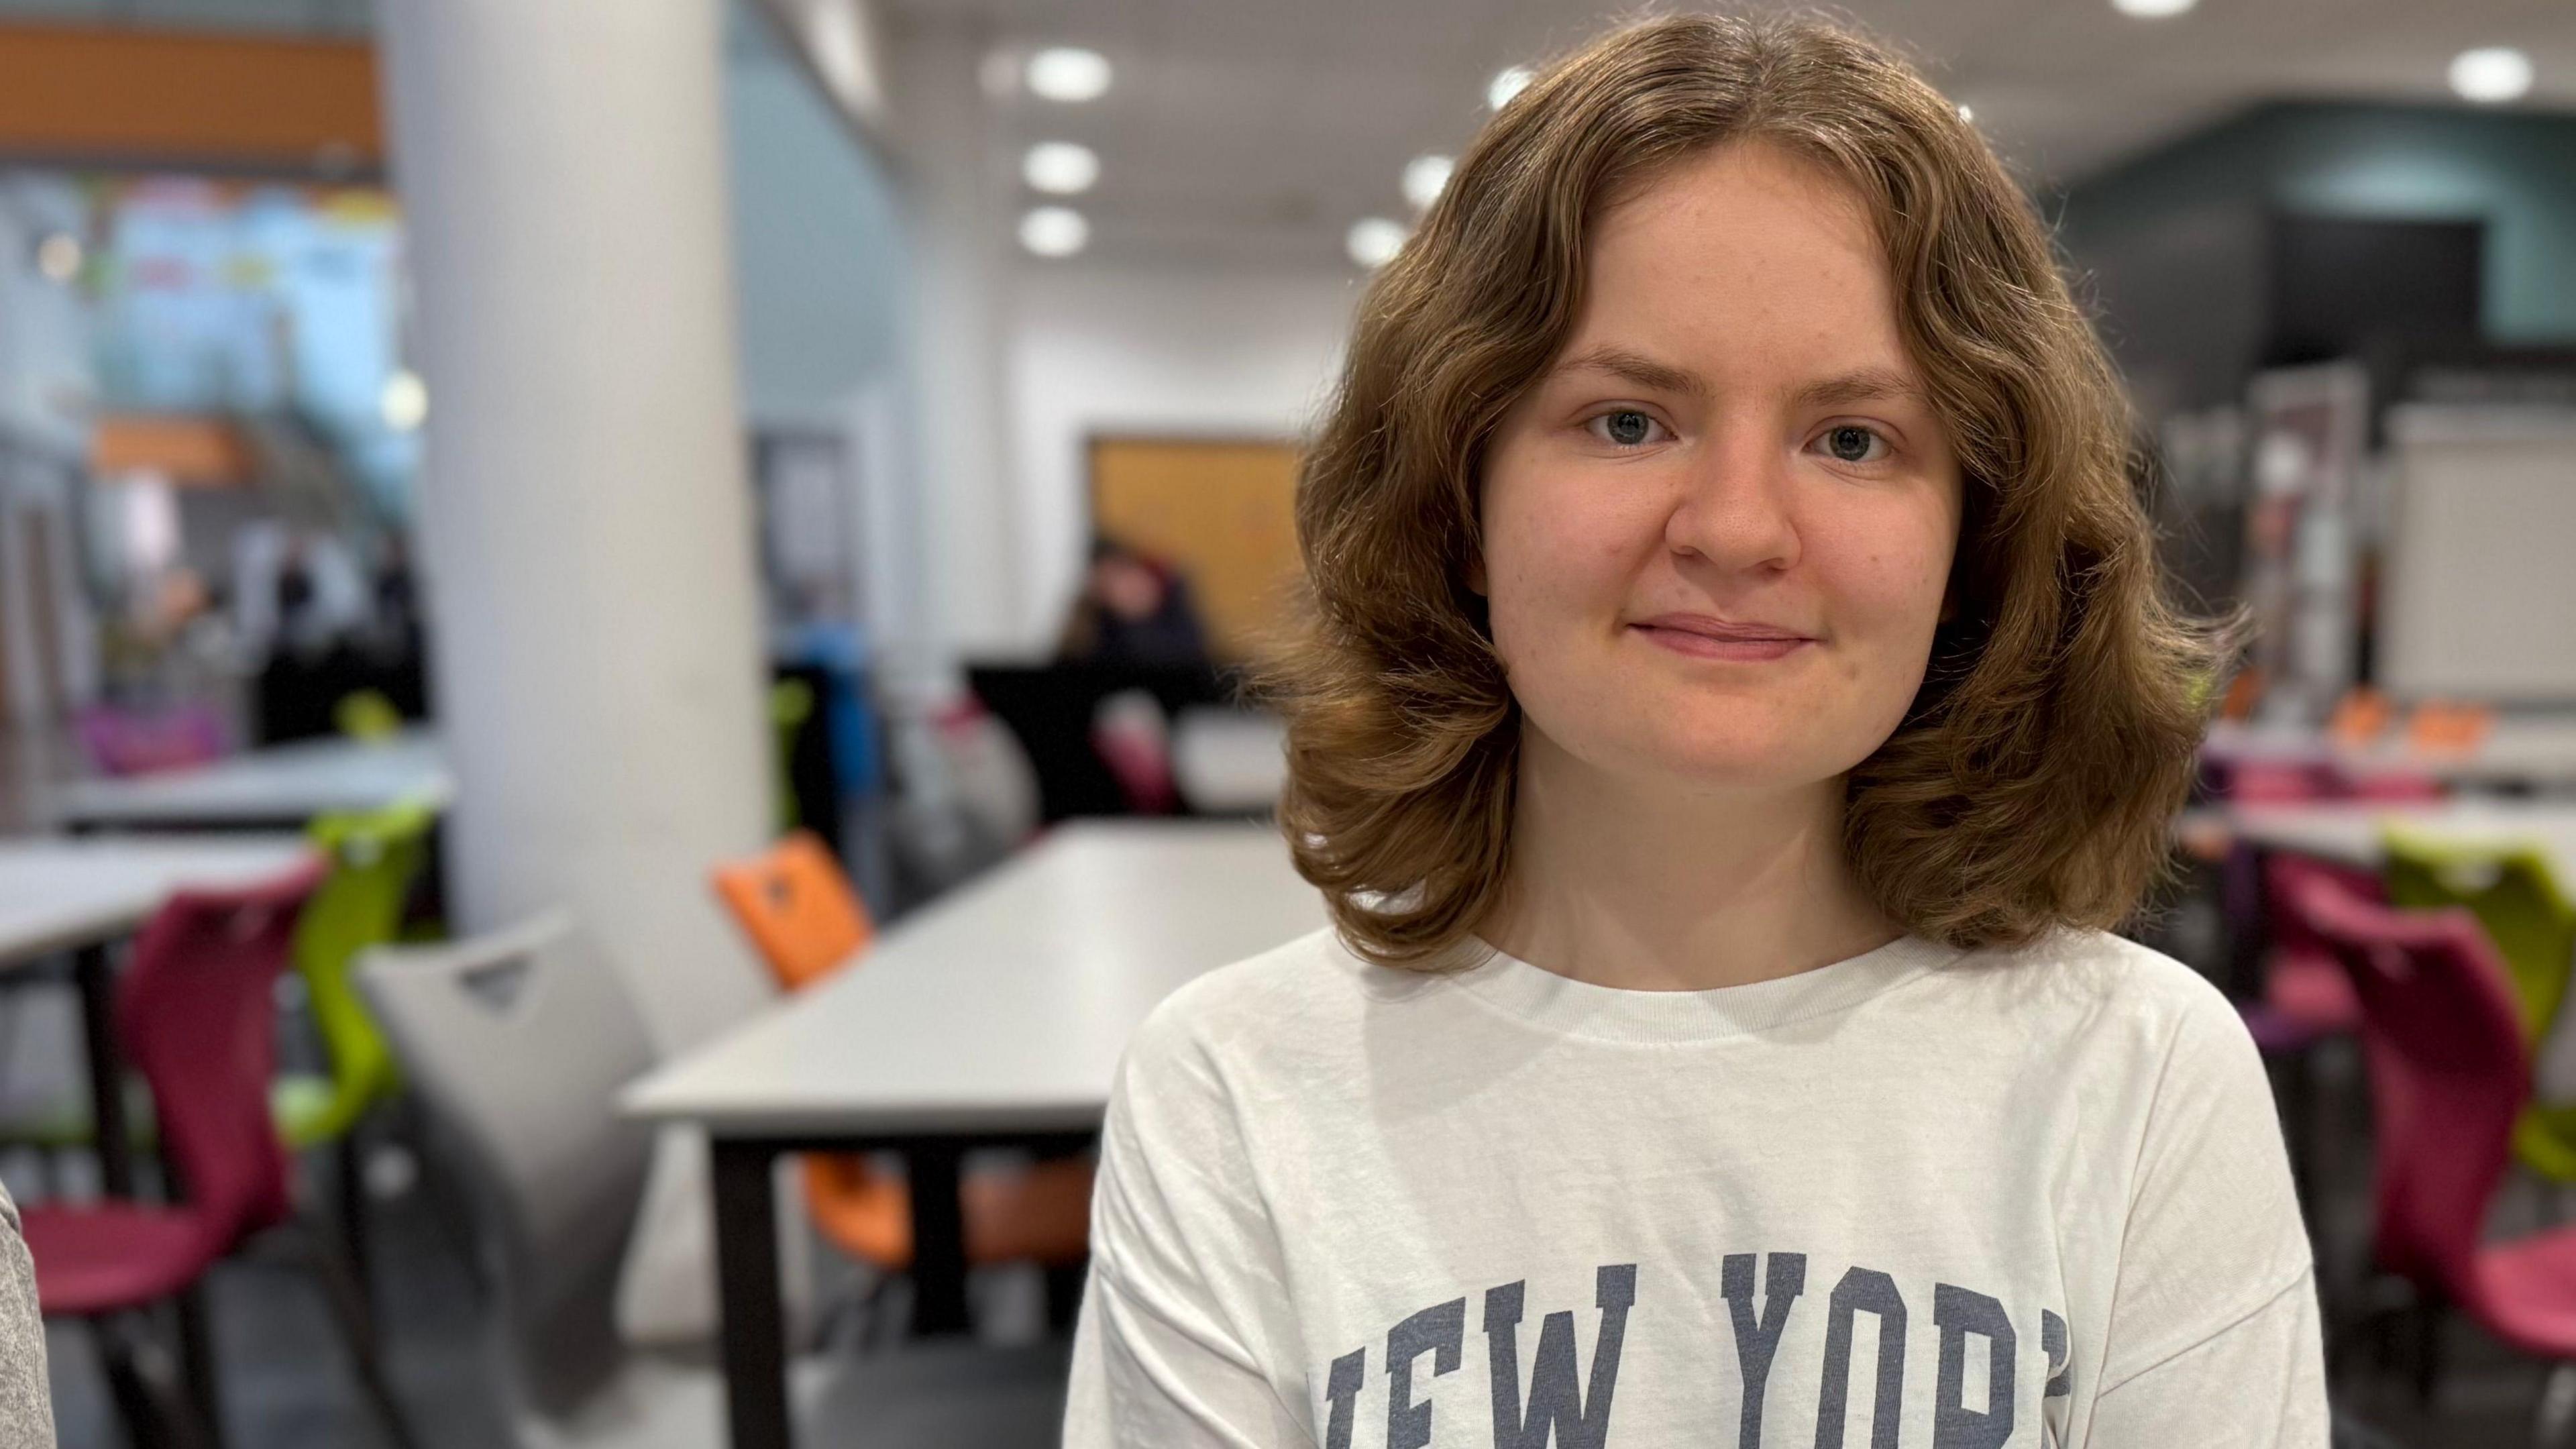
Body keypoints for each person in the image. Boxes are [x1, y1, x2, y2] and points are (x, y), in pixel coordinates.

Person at [1063, 13, 2322, 1449]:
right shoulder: (1237, 1093)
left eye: (1852, 439)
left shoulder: (2140, 1080)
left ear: (1974, 541)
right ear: (1457, 498)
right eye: (1625, 421)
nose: (1733, 528)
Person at [1057, 536, 1213, 669]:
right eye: (1107, 586)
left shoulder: (1173, 588)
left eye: (1122, 573)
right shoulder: (1100, 633)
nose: (1123, 588)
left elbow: (1190, 654)